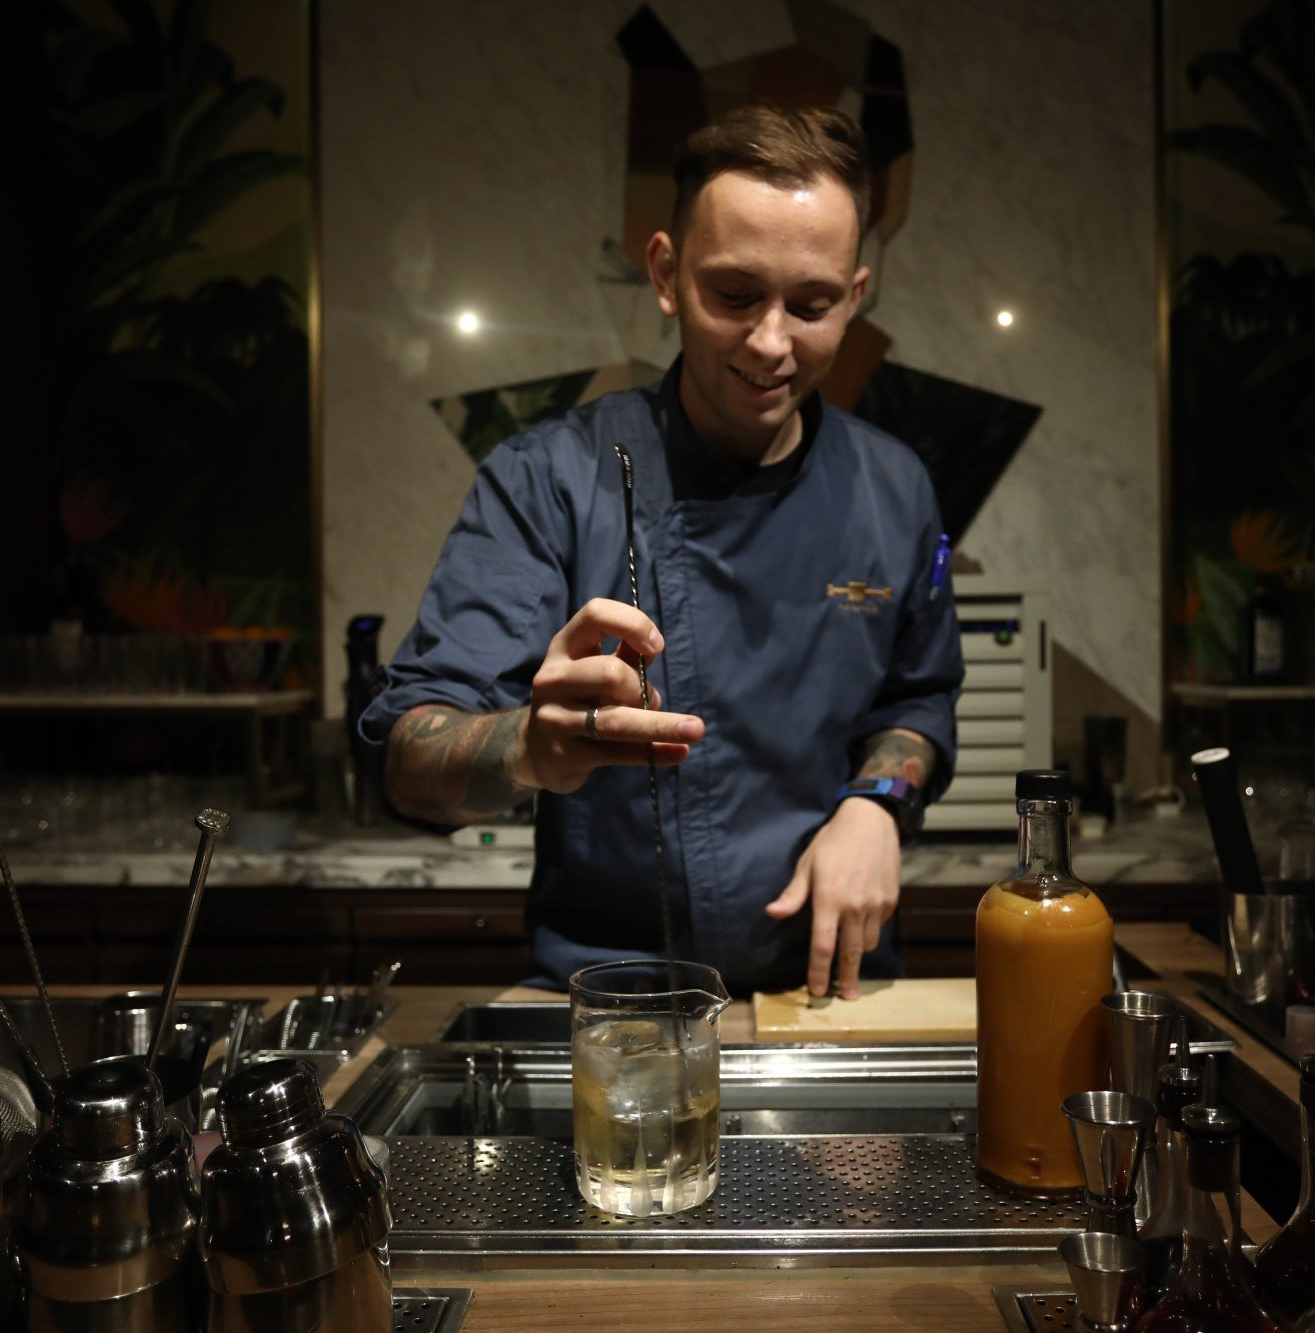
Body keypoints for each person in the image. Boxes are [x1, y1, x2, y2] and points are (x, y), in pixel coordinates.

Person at [359, 103, 963, 1000]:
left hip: (833, 999)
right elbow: (408, 759)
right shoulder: (547, 480)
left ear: (857, 294)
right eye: (733, 295)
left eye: (811, 304)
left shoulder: (896, 487)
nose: (770, 342)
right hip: (606, 1005)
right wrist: (525, 746)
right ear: (666, 274)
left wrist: (878, 805)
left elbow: (915, 704)